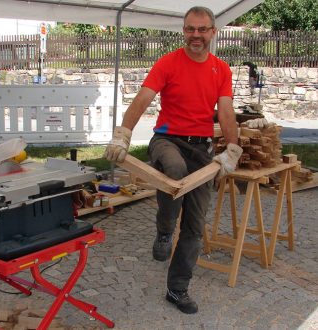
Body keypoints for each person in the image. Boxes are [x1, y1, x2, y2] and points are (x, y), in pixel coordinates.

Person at [104, 6, 243, 314]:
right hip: (166, 140)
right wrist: (123, 133)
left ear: (212, 32)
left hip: (201, 150)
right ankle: (165, 228)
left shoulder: (221, 69)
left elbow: (226, 110)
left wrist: (232, 147)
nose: (196, 35)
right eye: (190, 29)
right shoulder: (168, 63)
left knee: (194, 227)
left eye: (202, 29)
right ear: (184, 31)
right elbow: (143, 98)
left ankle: (177, 289)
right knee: (175, 169)